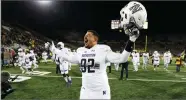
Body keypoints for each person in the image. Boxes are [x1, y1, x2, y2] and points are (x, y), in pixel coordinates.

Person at [47, 1, 147, 99]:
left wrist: (131, 39)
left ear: (95, 39)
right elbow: (67, 57)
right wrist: (54, 49)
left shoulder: (103, 49)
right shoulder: (80, 51)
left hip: (101, 92)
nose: (85, 37)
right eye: (85, 36)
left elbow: (122, 58)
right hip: (85, 92)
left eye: (88, 36)